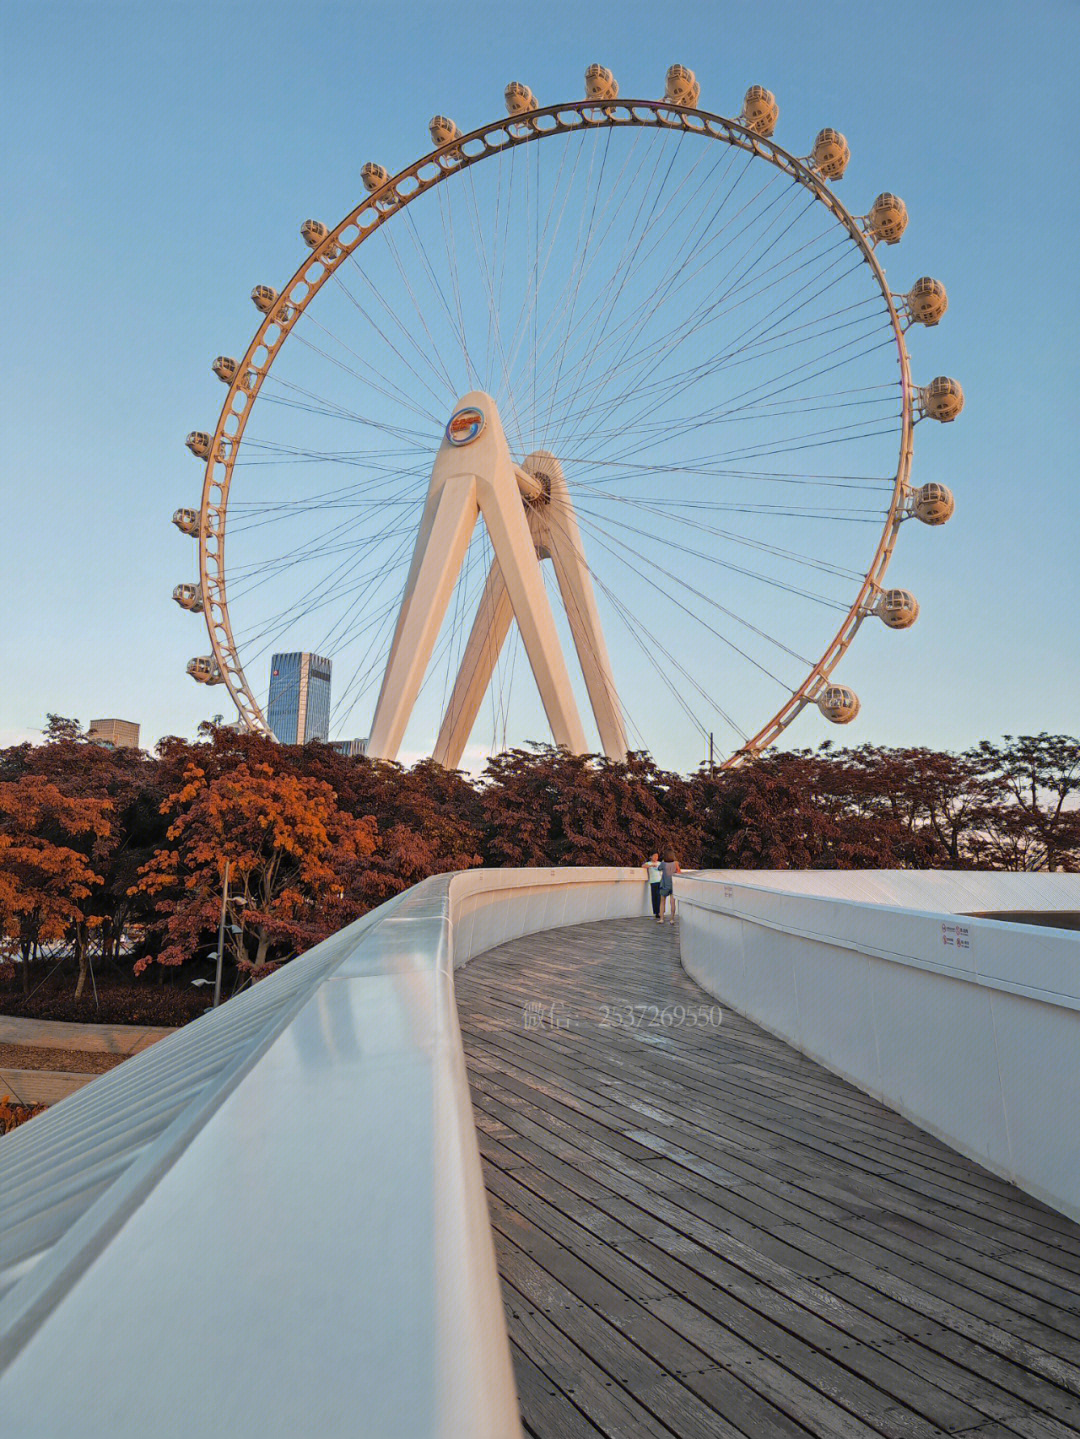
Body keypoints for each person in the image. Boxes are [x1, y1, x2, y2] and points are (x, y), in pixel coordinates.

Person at [659, 851, 681, 924]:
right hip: (673, 885)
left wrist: (662, 861)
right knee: (672, 903)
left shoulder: (663, 863)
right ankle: (672, 919)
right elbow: (679, 872)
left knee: (662, 902)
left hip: (664, 885)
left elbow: (659, 868)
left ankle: (661, 919)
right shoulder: (676, 863)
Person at [644, 852, 663, 920]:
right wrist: (652, 865)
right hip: (653, 882)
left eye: (657, 856)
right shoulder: (649, 863)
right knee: (655, 897)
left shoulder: (660, 863)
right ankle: (656, 912)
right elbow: (643, 866)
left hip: (660, 881)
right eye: (654, 856)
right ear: (650, 857)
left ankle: (661, 911)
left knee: (660, 897)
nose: (656, 857)